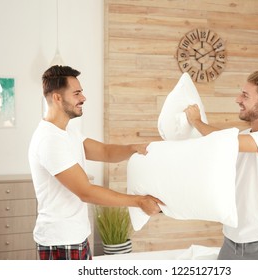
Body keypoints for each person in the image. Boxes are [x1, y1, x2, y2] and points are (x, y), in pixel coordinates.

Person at [28, 65, 163, 260]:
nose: (83, 98)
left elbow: (106, 152)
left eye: (81, 92)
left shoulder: (67, 131)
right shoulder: (50, 140)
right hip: (60, 239)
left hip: (76, 235)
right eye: (76, 93)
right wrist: (139, 202)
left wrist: (133, 148)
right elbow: (86, 191)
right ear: (57, 98)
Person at [184, 70, 258, 260]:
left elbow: (225, 142)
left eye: (245, 95)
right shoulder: (243, 136)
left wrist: (196, 121)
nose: (238, 99)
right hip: (231, 241)